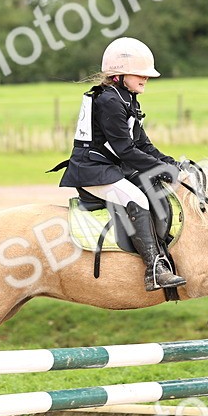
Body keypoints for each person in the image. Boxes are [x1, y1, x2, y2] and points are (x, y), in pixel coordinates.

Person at [55, 37, 187, 291]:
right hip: (92, 171)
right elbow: (125, 150)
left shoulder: (126, 98)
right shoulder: (110, 101)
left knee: (153, 187)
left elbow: (143, 145)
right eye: (139, 73)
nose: (145, 78)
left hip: (108, 167)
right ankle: (154, 270)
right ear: (119, 74)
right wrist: (162, 170)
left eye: (146, 74)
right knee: (136, 198)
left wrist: (171, 164)